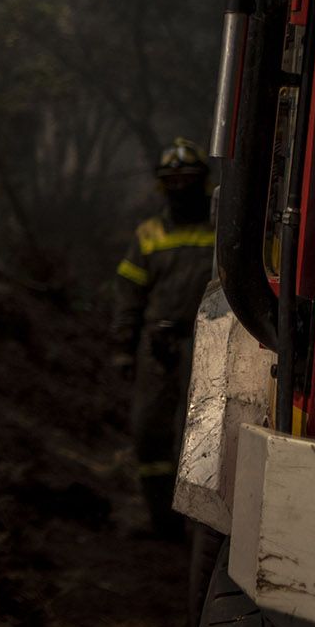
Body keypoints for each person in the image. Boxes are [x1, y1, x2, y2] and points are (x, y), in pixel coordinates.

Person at [110, 137, 216, 539]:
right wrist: (122, 347)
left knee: (203, 436)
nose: (180, 188)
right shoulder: (149, 234)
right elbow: (128, 295)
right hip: (157, 349)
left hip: (207, 349)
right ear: (160, 186)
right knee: (149, 430)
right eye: (171, 181)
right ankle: (161, 521)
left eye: (188, 179)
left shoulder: (221, 231)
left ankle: (201, 527)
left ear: (204, 183)